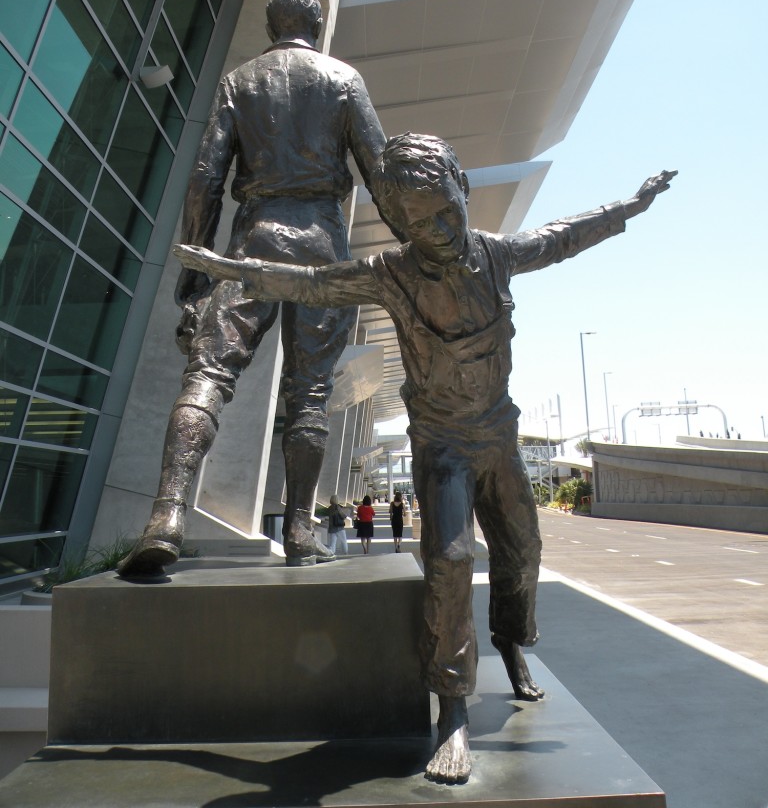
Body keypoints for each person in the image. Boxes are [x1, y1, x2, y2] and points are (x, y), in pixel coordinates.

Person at [174, 133, 676, 783]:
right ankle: (453, 712)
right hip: (441, 447)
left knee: (523, 554)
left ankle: (510, 641)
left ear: (463, 193)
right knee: (448, 560)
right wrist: (233, 269)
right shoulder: (392, 275)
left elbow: (566, 234)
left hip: (498, 435)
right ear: (398, 224)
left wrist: (632, 205)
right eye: (416, 222)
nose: (435, 230)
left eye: (444, 211)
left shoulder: (497, 256)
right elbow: (313, 284)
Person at [117, 0, 388, 578]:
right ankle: (298, 528)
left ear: (272, 28)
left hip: (253, 240)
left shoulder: (240, 82)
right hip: (321, 245)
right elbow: (383, 175)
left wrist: (195, 267)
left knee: (207, 374)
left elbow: (205, 179)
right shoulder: (342, 79)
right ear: (315, 26)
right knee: (310, 393)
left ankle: (166, 518)